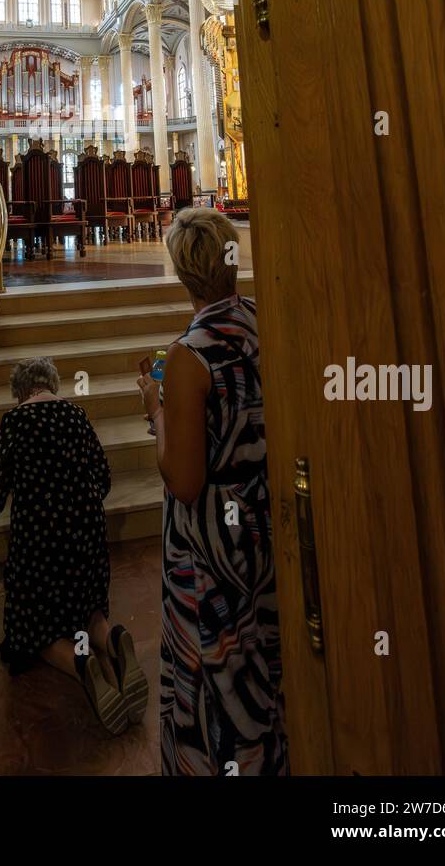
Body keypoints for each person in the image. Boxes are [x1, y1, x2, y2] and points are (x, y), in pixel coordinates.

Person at [137, 207, 287, 776]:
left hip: (211, 544)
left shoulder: (187, 356)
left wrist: (155, 412)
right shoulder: (258, 320)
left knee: (214, 663)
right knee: (262, 648)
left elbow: (184, 477)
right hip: (262, 521)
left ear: (181, 272)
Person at [0, 356, 148, 735]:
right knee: (91, 612)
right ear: (51, 385)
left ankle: (80, 663)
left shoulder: (14, 421)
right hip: (87, 536)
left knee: (31, 632)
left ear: (20, 392)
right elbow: (103, 480)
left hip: (40, 542)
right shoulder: (75, 414)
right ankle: (113, 638)